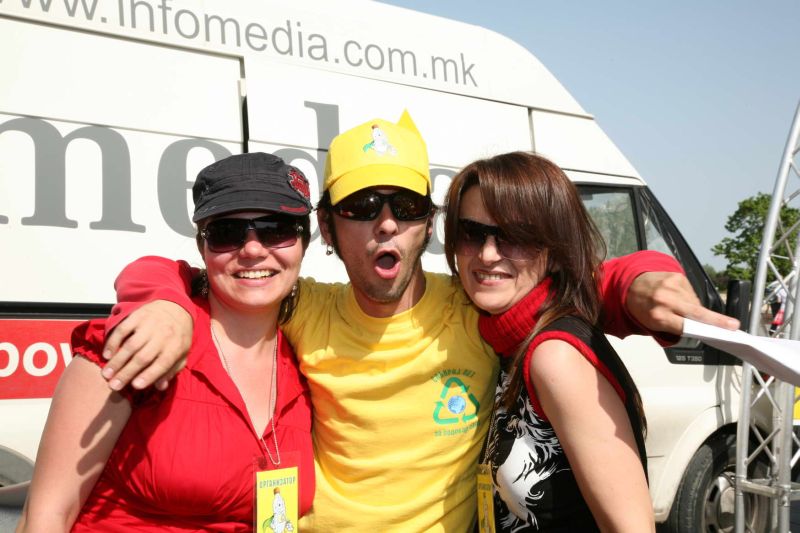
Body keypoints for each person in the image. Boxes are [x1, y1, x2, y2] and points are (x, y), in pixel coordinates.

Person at [92, 112, 738, 531]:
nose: (385, 223)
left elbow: (567, 282)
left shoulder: (473, 305)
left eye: (404, 205)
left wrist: (639, 277)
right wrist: (163, 300)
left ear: (428, 226)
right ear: (327, 229)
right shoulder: (303, 309)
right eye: (361, 206)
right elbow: (203, 276)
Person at [16, 153, 315, 532]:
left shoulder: (309, 360)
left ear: (303, 242)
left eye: (276, 229)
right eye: (226, 232)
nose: (253, 249)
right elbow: (45, 518)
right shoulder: (133, 346)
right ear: (202, 248)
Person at [444, 152, 653, 531]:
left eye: (515, 236)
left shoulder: (554, 355)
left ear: (555, 252)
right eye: (471, 232)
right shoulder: (504, 340)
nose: (488, 254)